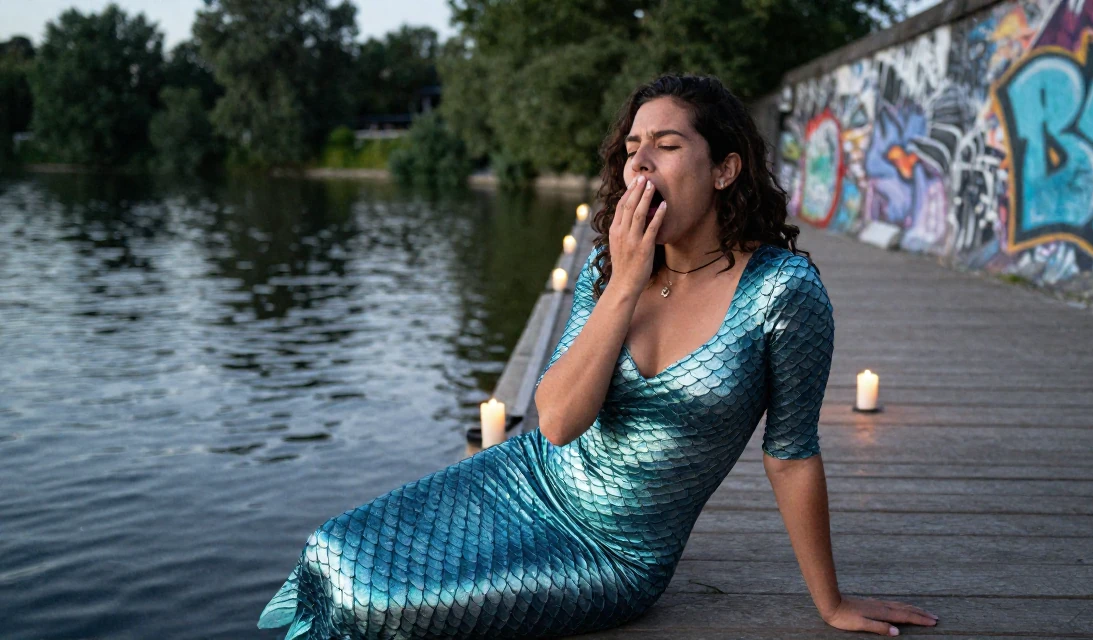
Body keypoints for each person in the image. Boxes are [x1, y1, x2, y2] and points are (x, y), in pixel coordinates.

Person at [258, 73, 939, 639]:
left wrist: (831, 602)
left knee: (376, 601)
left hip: (610, 553)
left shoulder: (784, 294)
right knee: (332, 548)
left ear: (726, 168)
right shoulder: (609, 269)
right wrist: (624, 281)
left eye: (666, 146)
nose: (639, 163)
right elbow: (555, 421)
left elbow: (790, 454)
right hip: (525, 478)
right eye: (633, 148)